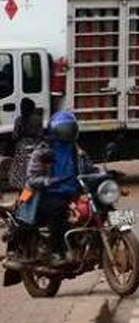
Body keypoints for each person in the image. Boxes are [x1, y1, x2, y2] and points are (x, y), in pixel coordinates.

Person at [25, 111, 93, 265]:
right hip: (49, 195)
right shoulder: (43, 151)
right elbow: (32, 179)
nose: (68, 132)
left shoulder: (76, 149)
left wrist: (105, 174)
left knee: (96, 206)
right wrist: (50, 181)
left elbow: (88, 167)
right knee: (58, 211)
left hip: (73, 193)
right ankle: (56, 252)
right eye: (65, 129)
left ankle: (91, 243)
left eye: (70, 128)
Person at [7, 98, 43, 192]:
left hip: (21, 149)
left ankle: (22, 198)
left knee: (21, 177)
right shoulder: (38, 119)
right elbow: (40, 135)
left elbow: (14, 136)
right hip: (34, 149)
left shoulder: (18, 120)